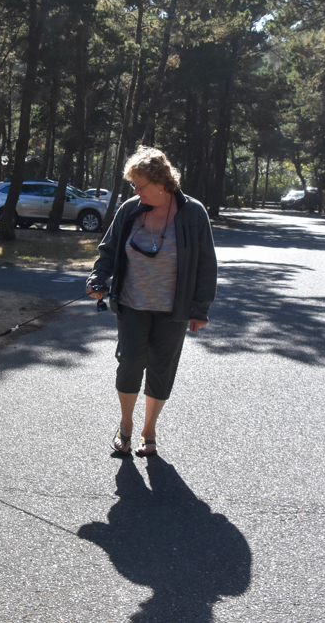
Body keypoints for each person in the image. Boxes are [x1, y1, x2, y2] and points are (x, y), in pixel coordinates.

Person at [86, 146, 218, 457]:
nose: (134, 190)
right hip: (132, 303)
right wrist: (97, 278)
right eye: (133, 184)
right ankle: (126, 423)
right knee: (130, 361)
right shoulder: (130, 209)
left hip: (174, 309)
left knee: (162, 368)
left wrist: (200, 310)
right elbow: (109, 248)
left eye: (139, 185)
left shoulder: (193, 213)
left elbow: (206, 264)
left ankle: (149, 428)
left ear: (160, 184)